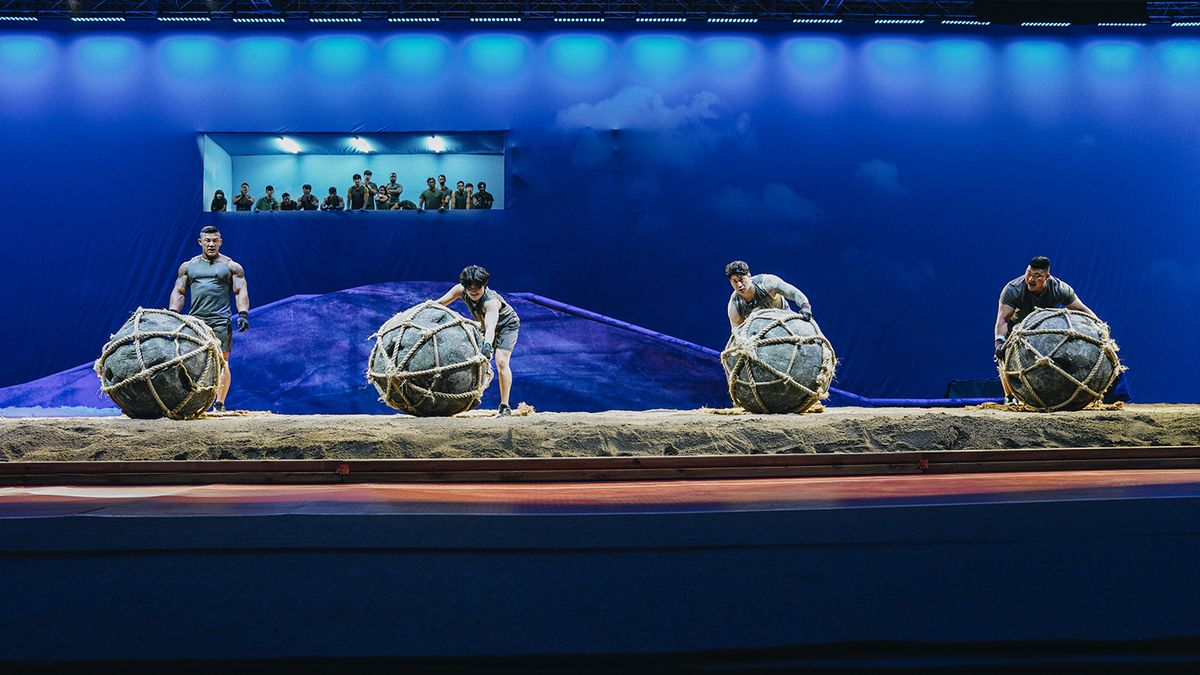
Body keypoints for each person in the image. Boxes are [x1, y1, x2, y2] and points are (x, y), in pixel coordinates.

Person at [169, 226, 249, 413]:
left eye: (215, 240)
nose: (211, 244)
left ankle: (219, 404)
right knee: (191, 362)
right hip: (196, 322)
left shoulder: (231, 266)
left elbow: (240, 291)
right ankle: (193, 402)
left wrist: (243, 313)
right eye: (208, 240)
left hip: (220, 320)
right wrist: (173, 313)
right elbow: (179, 292)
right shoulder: (188, 266)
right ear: (200, 242)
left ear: (220, 241)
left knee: (221, 361)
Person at [435, 265, 520, 417]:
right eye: (470, 287)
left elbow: (490, 327)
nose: (473, 290)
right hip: (484, 326)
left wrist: (487, 345)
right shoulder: (460, 290)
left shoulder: (490, 302)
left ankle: (505, 406)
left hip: (506, 326)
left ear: (484, 285)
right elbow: (439, 304)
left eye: (477, 287)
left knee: (501, 362)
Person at [725, 260, 814, 329]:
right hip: (760, 333)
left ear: (749, 275)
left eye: (741, 279)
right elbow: (737, 332)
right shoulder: (734, 306)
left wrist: (805, 306)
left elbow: (794, 293)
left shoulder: (768, 283)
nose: (739, 285)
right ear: (730, 282)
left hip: (786, 321)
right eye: (735, 281)